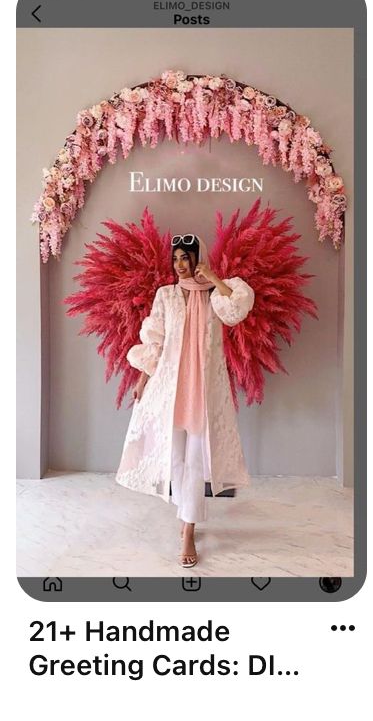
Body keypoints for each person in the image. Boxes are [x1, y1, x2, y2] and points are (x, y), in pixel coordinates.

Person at [116, 234, 255, 567]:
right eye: (176, 259)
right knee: (174, 458)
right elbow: (155, 342)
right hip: (170, 388)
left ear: (198, 259)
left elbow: (237, 307)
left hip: (203, 391)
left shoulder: (215, 296)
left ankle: (189, 530)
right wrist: (141, 380)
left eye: (186, 258)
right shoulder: (166, 295)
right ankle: (185, 514)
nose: (180, 265)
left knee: (194, 461)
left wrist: (212, 277)